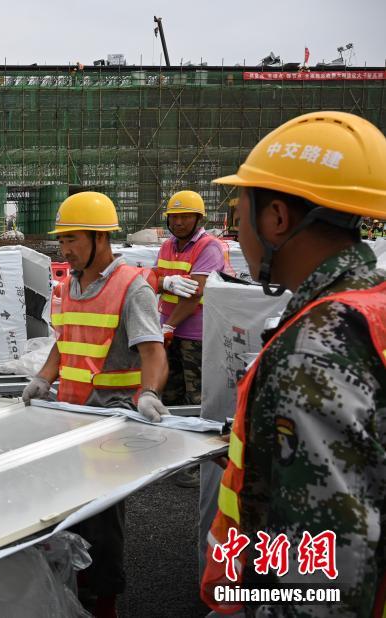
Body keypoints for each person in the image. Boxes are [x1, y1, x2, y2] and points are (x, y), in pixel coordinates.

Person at [200, 111, 386, 615]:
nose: (237, 232)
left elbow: (327, 582)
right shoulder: (372, 304)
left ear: (276, 218)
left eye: (240, 212)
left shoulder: (314, 349)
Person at [22, 191, 169, 617]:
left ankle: (104, 605)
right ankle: (72, 594)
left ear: (100, 238)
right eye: (62, 240)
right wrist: (43, 379)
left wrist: (149, 394)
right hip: (70, 420)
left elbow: (153, 352)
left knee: (103, 528)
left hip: (111, 426)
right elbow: (63, 343)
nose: (64, 249)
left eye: (72, 240)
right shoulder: (69, 285)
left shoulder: (132, 287)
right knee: (69, 517)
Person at [152, 190, 234, 488]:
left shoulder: (209, 247)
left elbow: (195, 293)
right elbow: (158, 281)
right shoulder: (168, 246)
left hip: (196, 334)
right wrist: (164, 287)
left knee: (196, 399)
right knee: (170, 395)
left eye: (186, 216)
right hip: (170, 330)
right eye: (174, 216)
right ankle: (173, 459)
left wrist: (168, 325)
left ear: (199, 218)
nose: (179, 222)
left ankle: (196, 465)